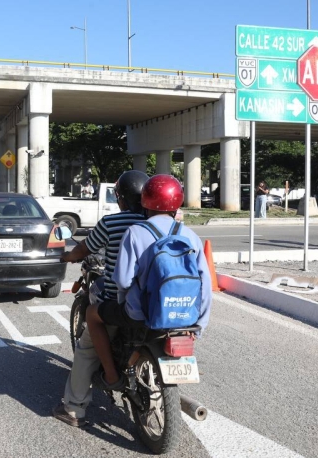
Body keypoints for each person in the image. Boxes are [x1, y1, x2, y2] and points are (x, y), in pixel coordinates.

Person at [85, 174, 213, 392]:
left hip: (138, 313)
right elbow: (205, 285)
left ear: (146, 201)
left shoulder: (135, 232)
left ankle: (111, 375)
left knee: (92, 314)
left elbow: (123, 280)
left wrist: (126, 306)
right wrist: (198, 325)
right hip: (184, 317)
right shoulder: (190, 235)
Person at [52, 170, 148, 427]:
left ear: (121, 198)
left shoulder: (112, 223)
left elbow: (84, 248)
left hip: (122, 302)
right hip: (156, 301)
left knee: (86, 348)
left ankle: (73, 409)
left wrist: (68, 256)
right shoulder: (159, 221)